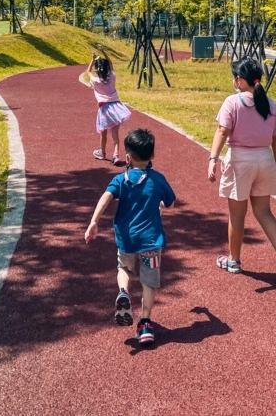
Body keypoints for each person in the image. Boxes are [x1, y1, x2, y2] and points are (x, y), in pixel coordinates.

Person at [208, 57, 276, 286]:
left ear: (238, 80)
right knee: (264, 212)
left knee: (237, 215)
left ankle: (234, 261)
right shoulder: (270, 103)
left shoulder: (232, 102)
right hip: (264, 159)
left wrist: (212, 158)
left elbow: (222, 131)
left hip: (240, 161)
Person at [85, 129, 176, 346]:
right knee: (148, 281)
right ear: (152, 156)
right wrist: (161, 203)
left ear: (127, 157)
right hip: (151, 242)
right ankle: (145, 324)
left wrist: (93, 221)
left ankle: (124, 292)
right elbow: (170, 202)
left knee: (124, 269)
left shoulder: (120, 180)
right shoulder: (158, 179)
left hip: (126, 239)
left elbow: (105, 197)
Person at [86, 45, 132, 164]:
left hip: (104, 109)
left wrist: (93, 58)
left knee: (103, 132)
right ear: (107, 68)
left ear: (97, 70)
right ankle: (116, 155)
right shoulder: (112, 76)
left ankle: (102, 152)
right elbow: (111, 63)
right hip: (116, 108)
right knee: (115, 135)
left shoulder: (96, 81)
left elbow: (88, 72)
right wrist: (103, 51)